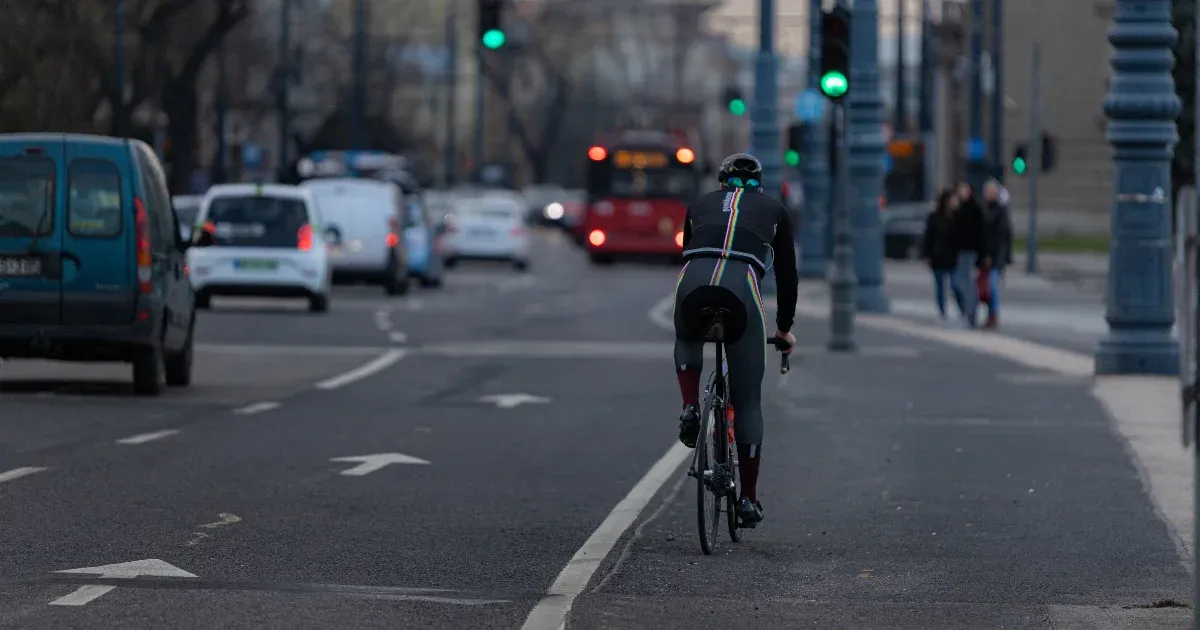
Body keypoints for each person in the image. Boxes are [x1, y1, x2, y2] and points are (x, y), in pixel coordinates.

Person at [673, 153, 798, 527]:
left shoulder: (699, 204)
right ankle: (747, 500)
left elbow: (688, 248)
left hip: (694, 280)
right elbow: (788, 277)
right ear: (760, 184)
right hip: (740, 287)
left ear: (720, 181)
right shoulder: (776, 210)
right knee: (747, 401)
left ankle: (690, 406)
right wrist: (783, 328)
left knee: (687, 331)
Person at [949, 182, 986, 327]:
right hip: (961, 251)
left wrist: (982, 254)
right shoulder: (960, 210)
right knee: (960, 282)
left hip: (969, 251)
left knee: (965, 282)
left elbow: (980, 234)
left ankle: (971, 313)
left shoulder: (972, 210)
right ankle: (968, 311)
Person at [921, 189, 962, 320]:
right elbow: (928, 237)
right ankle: (942, 310)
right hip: (937, 256)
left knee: (955, 284)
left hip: (952, 256)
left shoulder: (956, 216)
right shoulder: (934, 217)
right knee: (940, 286)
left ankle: (962, 307)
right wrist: (927, 255)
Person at [980, 179, 1014, 328]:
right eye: (988, 191)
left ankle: (993, 314)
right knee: (984, 288)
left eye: (993, 191)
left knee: (993, 286)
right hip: (984, 256)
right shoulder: (982, 210)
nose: (991, 194)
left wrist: (1006, 256)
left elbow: (1006, 235)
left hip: (997, 256)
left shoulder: (1001, 211)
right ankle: (988, 313)